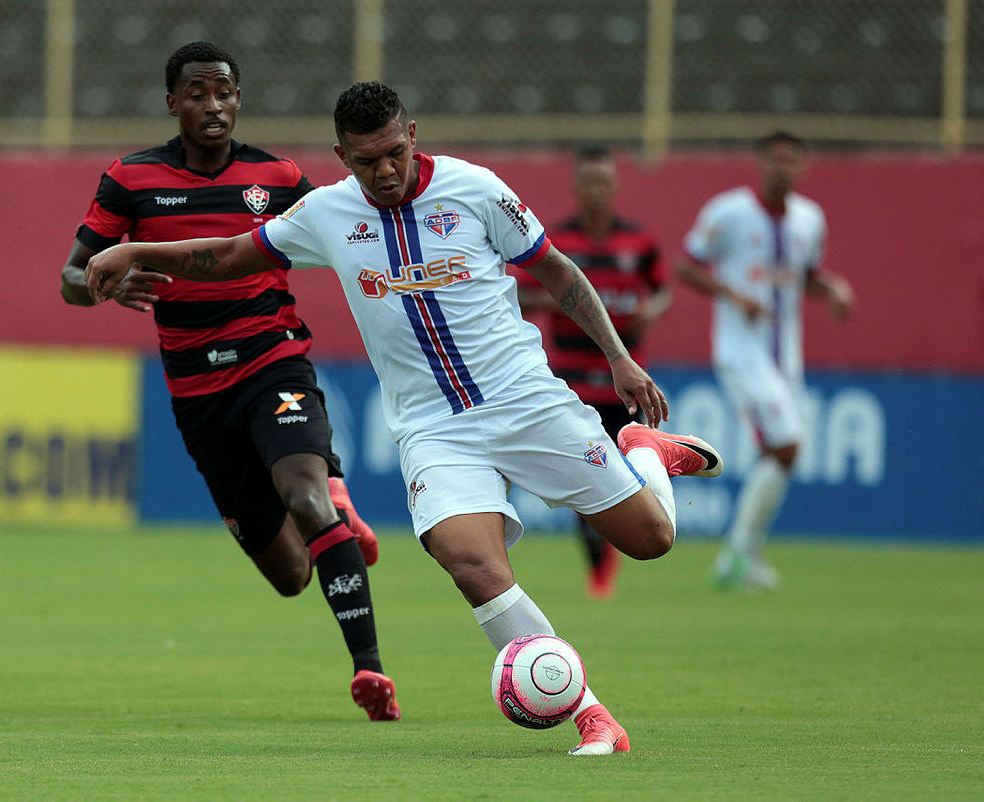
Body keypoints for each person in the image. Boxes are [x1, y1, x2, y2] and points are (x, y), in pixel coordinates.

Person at [83, 81, 724, 756]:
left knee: (651, 539)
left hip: (527, 402)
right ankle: (591, 714)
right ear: (342, 156)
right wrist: (139, 251)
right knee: (470, 562)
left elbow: (558, 272)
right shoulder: (325, 213)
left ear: (412, 135)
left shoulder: (476, 190)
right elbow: (233, 255)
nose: (383, 172)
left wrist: (619, 359)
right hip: (433, 430)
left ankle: (647, 451)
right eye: (365, 162)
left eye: (393, 153)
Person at [58, 43, 399, 721]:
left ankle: (371, 672)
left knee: (306, 499)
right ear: (173, 103)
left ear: (238, 98)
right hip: (197, 394)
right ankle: (331, 500)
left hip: (272, 359)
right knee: (291, 575)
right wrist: (105, 283)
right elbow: (70, 278)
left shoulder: (277, 176)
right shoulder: (131, 179)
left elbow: (349, 231)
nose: (213, 106)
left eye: (225, 93)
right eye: (197, 94)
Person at [677, 131, 854, 591]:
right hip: (741, 354)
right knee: (788, 446)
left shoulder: (809, 219)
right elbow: (687, 265)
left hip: (785, 358)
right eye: (775, 159)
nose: (783, 168)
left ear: (802, 166)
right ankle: (738, 553)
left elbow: (804, 277)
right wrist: (737, 296)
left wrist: (833, 289)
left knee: (779, 455)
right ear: (760, 162)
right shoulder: (729, 212)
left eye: (792, 160)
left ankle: (742, 556)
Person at [516, 145, 671, 598]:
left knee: (631, 475)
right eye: (589, 183)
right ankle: (600, 572)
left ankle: (623, 554)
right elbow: (520, 294)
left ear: (615, 187)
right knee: (588, 479)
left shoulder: (638, 242)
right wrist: (558, 299)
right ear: (577, 188)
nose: (597, 192)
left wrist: (651, 310)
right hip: (575, 381)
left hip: (626, 383)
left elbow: (663, 290)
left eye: (605, 182)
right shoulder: (555, 243)